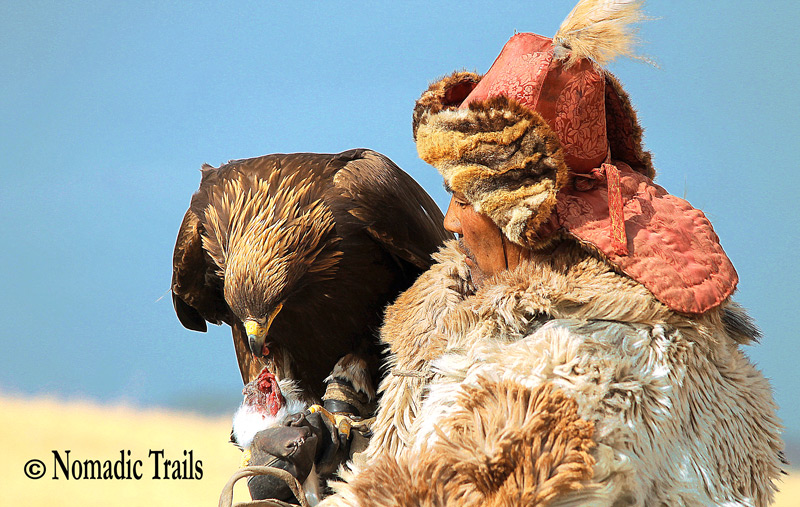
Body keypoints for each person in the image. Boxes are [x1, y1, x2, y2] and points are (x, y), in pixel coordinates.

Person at [316, 2, 784, 506]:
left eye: (465, 197)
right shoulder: (658, 342)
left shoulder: (579, 367)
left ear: (527, 218)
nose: (449, 221)